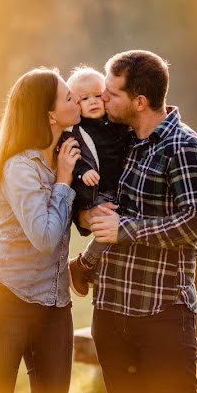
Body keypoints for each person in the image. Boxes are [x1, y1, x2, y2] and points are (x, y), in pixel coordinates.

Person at [78, 50, 197, 393]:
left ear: (139, 101)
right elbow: (90, 200)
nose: (102, 98)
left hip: (162, 314)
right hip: (110, 311)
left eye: (111, 92)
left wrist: (128, 228)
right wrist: (86, 214)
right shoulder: (118, 141)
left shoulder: (183, 147)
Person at [0, 67, 82, 393]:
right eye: (68, 97)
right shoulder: (21, 167)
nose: (76, 100)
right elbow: (45, 238)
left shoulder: (69, 151)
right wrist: (63, 182)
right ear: (50, 115)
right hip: (4, 302)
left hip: (53, 307)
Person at [61, 66, 132, 297]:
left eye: (97, 95)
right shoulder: (76, 131)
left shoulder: (117, 124)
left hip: (118, 188)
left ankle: (97, 267)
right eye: (84, 98)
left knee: (124, 224)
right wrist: (82, 172)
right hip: (95, 192)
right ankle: (85, 264)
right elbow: (72, 154)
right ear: (75, 103)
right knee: (107, 222)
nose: (92, 102)